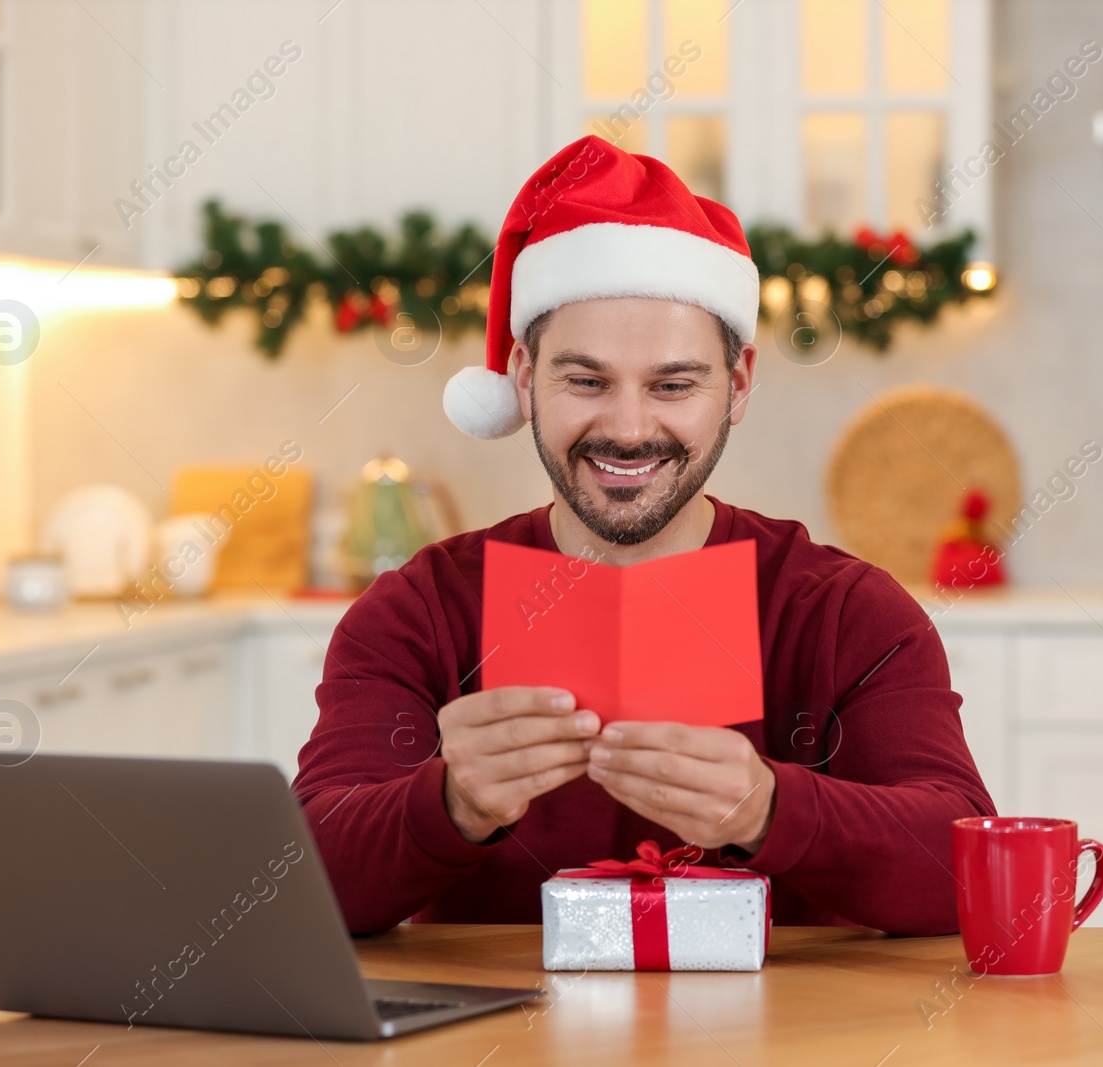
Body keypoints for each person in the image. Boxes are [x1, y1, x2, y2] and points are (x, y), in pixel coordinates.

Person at [293, 135, 994, 935]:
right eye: (585, 380)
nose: (628, 429)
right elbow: (301, 883)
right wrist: (449, 801)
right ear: (524, 377)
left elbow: (962, 870)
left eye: (673, 384)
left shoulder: (846, 613)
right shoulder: (418, 612)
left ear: (736, 385)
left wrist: (772, 809)